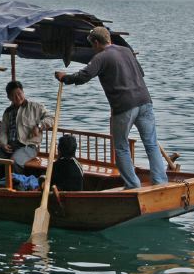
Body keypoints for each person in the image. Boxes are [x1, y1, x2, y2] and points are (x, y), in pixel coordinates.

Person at [55, 26, 168, 189]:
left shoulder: (101, 57)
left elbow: (83, 76)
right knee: (151, 143)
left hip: (124, 106)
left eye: (92, 45)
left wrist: (65, 77)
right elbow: (140, 73)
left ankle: (133, 185)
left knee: (121, 147)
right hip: (144, 101)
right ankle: (160, 181)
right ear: (109, 39)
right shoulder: (126, 51)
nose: (92, 48)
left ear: (95, 42)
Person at [0, 81, 55, 174]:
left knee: (14, 162)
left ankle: (17, 185)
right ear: (9, 97)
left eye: (19, 94)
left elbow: (51, 118)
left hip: (28, 146)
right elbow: (3, 130)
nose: (17, 97)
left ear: (23, 92)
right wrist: (3, 144)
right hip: (9, 146)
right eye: (13, 95)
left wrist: (39, 126)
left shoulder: (35, 107)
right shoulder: (8, 112)